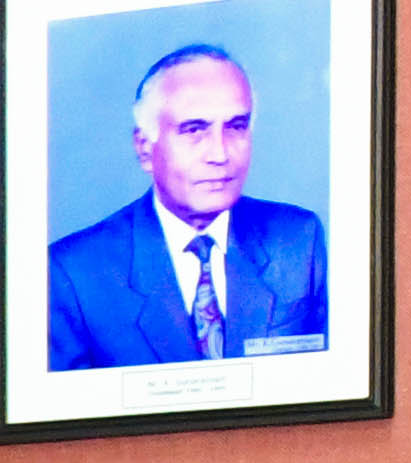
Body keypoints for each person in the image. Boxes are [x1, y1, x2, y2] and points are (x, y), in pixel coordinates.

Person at [46, 45, 332, 365]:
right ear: (144, 148)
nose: (220, 154)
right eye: (194, 130)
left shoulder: (297, 240)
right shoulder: (75, 273)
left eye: (236, 126)